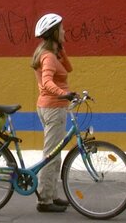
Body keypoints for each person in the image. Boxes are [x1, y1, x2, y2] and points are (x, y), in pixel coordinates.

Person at [30, 13, 77, 213]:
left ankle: (51, 194)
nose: (65, 31)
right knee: (51, 155)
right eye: (62, 29)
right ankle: (44, 200)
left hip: (52, 108)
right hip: (53, 108)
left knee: (55, 155)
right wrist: (64, 94)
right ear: (54, 32)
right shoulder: (48, 56)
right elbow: (48, 82)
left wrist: (61, 48)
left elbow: (69, 68)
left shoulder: (52, 53)